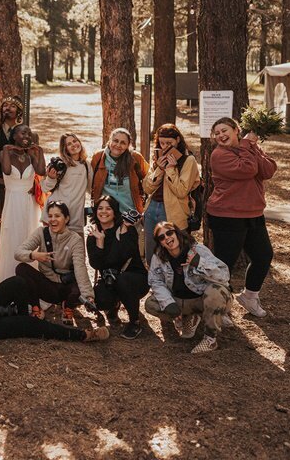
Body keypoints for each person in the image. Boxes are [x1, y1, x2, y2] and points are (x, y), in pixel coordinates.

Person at [207, 117, 277, 318]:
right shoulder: (219, 155)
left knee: (263, 256)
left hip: (253, 213)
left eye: (224, 130)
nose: (221, 135)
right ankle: (221, 307)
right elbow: (248, 170)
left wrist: (253, 148)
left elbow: (268, 170)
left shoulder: (248, 149)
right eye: (217, 133)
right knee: (225, 263)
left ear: (236, 130)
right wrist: (248, 144)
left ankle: (250, 296)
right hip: (227, 215)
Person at [145, 221, 232, 353]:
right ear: (160, 243)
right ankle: (189, 317)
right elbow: (155, 281)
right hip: (182, 300)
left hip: (203, 299)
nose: (167, 238)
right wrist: (168, 303)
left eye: (169, 233)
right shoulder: (159, 257)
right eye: (162, 237)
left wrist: (199, 263)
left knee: (216, 291)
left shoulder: (198, 250)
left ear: (177, 233)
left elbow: (223, 275)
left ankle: (210, 339)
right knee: (151, 304)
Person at [15, 201, 95, 325]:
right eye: (50, 216)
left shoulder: (75, 239)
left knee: (78, 287)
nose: (53, 219)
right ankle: (36, 308)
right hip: (47, 285)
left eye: (57, 216)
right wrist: (33, 255)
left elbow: (80, 267)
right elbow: (18, 252)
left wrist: (88, 296)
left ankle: (67, 307)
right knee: (21, 268)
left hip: (66, 286)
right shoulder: (42, 232)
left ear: (67, 218)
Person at [87, 196, 149, 338]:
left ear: (115, 212)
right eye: (100, 208)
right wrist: (100, 242)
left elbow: (120, 257)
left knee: (123, 280)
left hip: (135, 279)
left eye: (108, 208)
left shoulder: (127, 230)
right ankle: (113, 305)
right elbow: (95, 264)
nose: (104, 212)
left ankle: (135, 322)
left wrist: (121, 234)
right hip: (111, 279)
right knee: (101, 298)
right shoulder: (94, 235)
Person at [142, 124, 201, 266]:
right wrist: (159, 169)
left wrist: (171, 170)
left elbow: (181, 191)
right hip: (152, 209)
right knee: (150, 250)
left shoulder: (188, 160)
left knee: (174, 252)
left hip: (174, 210)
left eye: (169, 143)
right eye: (162, 143)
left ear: (177, 140)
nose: (166, 147)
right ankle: (154, 280)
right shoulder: (157, 156)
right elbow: (147, 188)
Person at [0, 124, 46, 286]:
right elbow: (7, 171)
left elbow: (42, 171)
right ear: (14, 135)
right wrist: (6, 149)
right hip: (12, 202)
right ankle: (9, 281)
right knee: (12, 238)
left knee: (30, 236)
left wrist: (40, 152)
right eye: (24, 133)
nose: (27, 136)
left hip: (30, 205)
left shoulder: (31, 156)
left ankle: (32, 284)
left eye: (29, 134)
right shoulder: (5, 153)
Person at [0, 96, 24, 283]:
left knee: (18, 232)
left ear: (19, 111)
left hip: (19, 192)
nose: (7, 108)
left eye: (12, 106)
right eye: (4, 105)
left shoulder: (29, 134)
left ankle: (17, 275)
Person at [42, 133, 93, 238]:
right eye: (69, 144)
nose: (73, 145)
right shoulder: (61, 164)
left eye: (75, 141)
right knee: (55, 251)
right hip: (56, 214)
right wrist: (51, 178)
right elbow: (45, 188)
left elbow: (91, 189)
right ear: (65, 149)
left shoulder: (86, 165)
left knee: (78, 251)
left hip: (76, 216)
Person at [90, 128, 149, 216]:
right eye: (115, 141)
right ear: (110, 141)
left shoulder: (135, 158)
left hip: (129, 213)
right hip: (105, 214)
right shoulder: (98, 157)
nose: (118, 145)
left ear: (128, 145)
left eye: (123, 143)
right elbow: (90, 181)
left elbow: (148, 181)